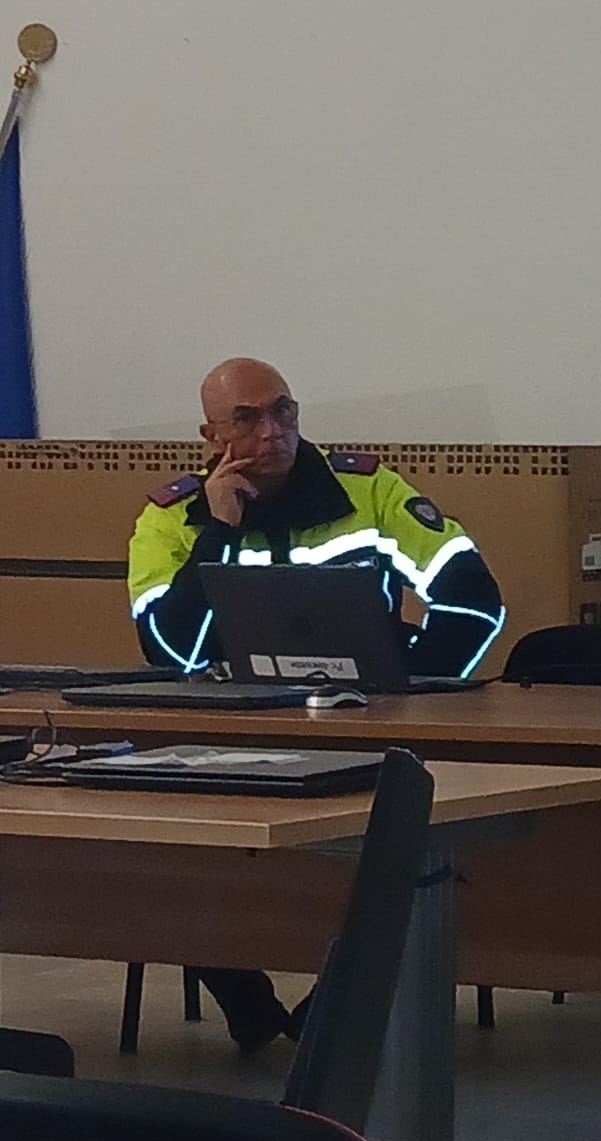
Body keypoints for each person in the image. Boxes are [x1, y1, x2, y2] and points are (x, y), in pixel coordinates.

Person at [126, 356, 507, 1050]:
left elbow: (474, 601)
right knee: (169, 851)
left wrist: (408, 686)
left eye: (284, 411)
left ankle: (335, 1007)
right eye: (248, 419)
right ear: (211, 435)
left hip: (369, 736)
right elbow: (168, 652)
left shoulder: (369, 490)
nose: (272, 431)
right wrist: (220, 531)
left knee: (396, 856)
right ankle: (243, 993)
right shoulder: (171, 516)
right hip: (234, 745)